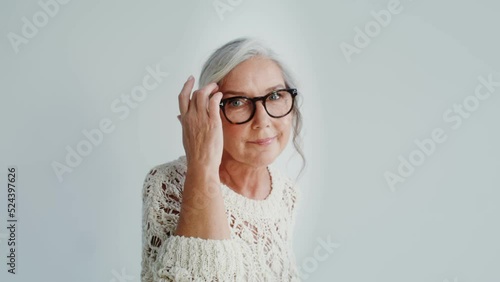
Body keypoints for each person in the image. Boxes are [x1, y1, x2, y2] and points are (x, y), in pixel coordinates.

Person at [141, 37, 305, 281]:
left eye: (274, 96)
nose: (262, 120)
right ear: (208, 112)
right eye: (238, 102)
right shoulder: (168, 184)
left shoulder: (286, 193)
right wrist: (201, 164)